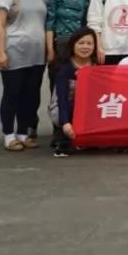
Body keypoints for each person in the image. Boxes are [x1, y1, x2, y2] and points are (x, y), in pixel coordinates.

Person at [0, 0, 50, 151]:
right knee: (12, 94)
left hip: (37, 53)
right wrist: (1, 52)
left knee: (31, 95)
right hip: (14, 51)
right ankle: (9, 135)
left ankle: (23, 133)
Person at [44, 0, 91, 134]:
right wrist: (50, 50)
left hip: (83, 45)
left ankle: (81, 127)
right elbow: (50, 23)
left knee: (83, 89)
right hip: (61, 45)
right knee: (58, 87)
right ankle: (59, 128)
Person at [52, 27, 99, 157]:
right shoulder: (64, 68)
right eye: (81, 43)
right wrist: (65, 123)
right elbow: (61, 98)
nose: (85, 47)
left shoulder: (97, 66)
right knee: (71, 105)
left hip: (89, 109)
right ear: (73, 45)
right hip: (65, 107)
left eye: (89, 43)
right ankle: (63, 137)